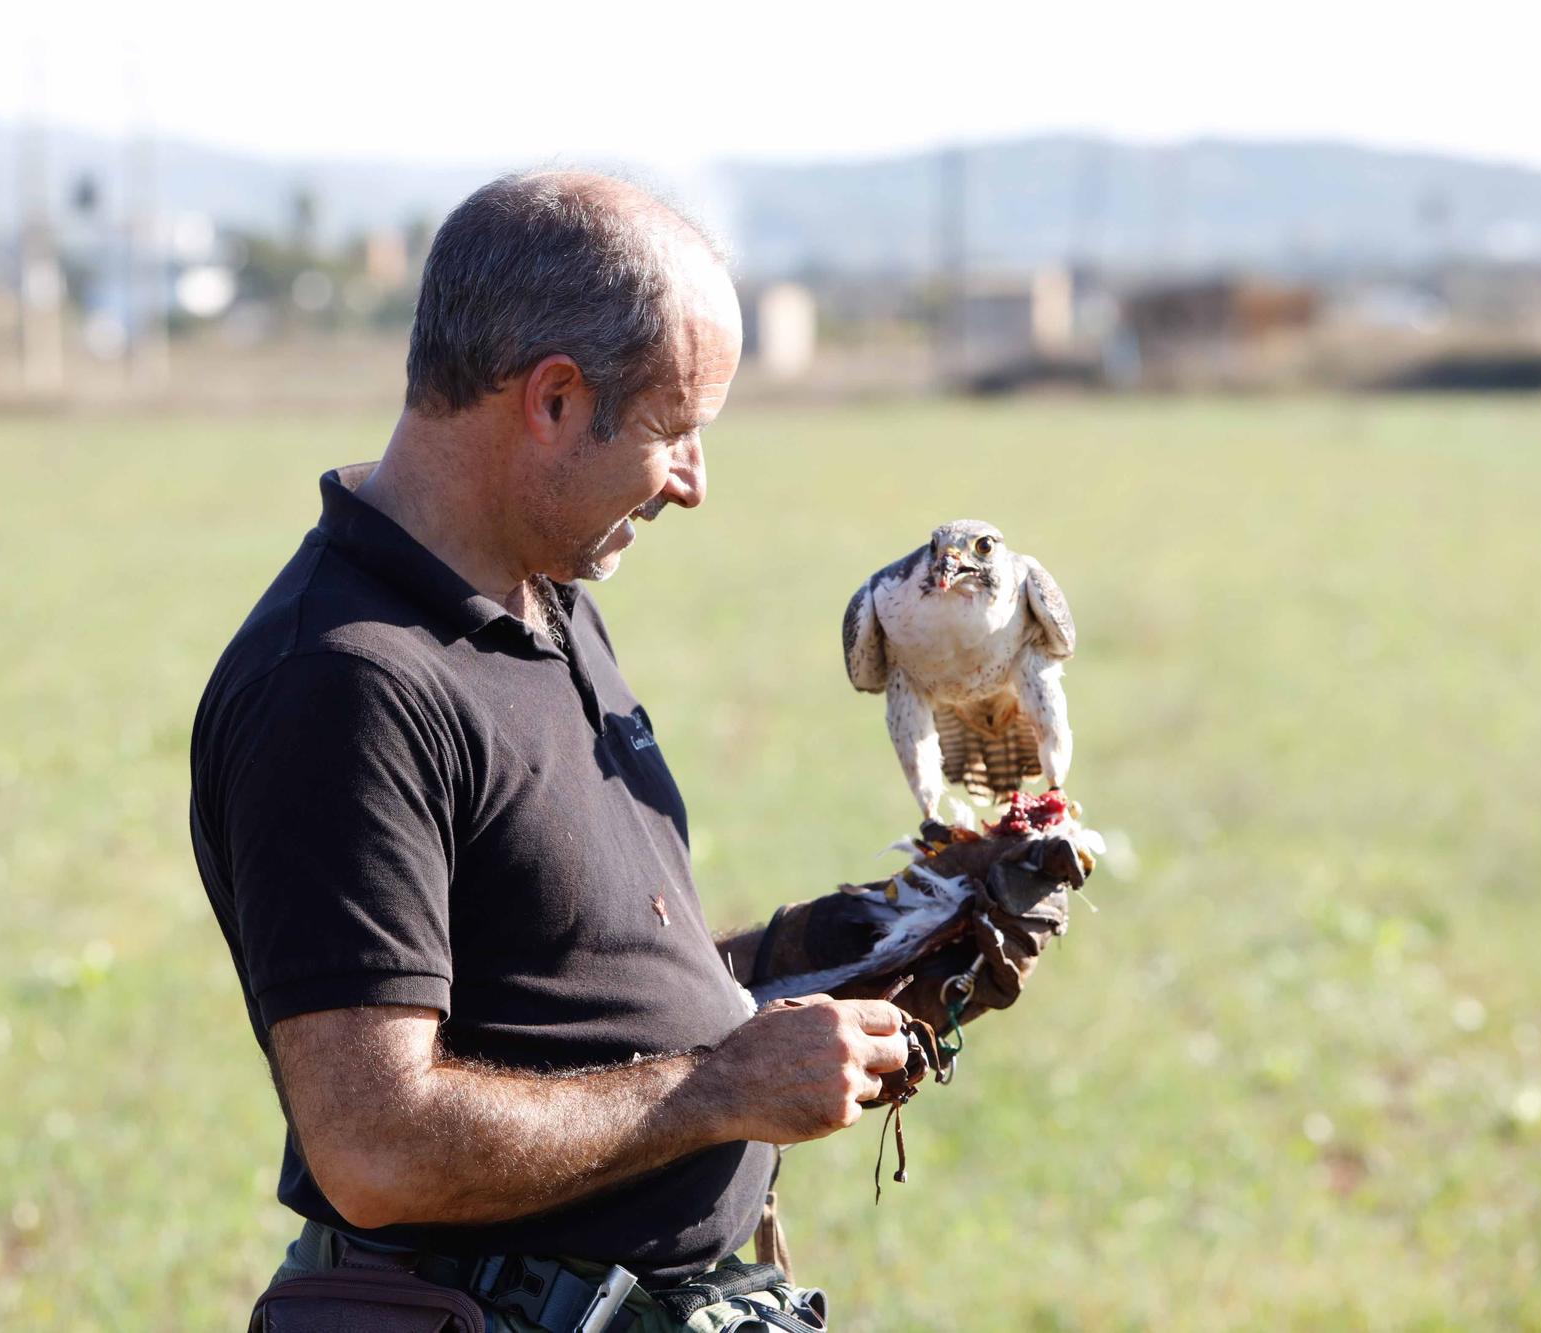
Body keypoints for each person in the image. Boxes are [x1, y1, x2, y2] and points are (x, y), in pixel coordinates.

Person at [190, 171, 963, 1331]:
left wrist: (816, 954)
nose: (694, 484)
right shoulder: (343, 683)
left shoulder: (543, 597)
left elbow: (560, 979)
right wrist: (724, 1086)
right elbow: (376, 1145)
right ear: (552, 400)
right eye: (675, 429)